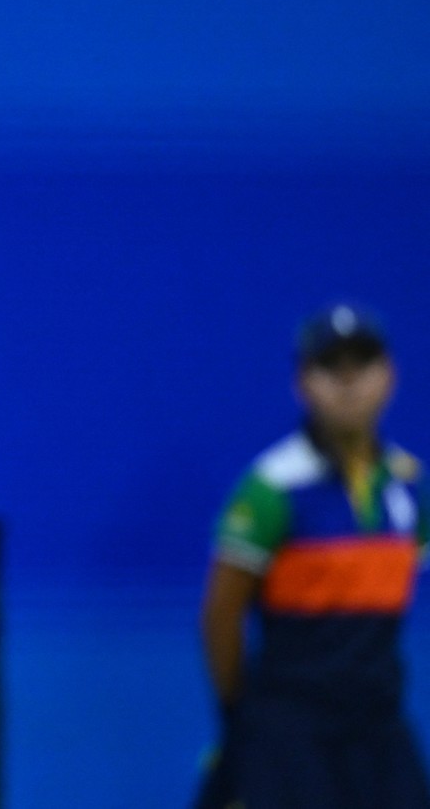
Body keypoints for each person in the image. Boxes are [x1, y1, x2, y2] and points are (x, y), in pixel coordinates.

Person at [197, 303, 430, 809]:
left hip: (379, 727)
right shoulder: (272, 488)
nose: (349, 384)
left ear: (389, 377)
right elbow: (220, 614)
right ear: (303, 382)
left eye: (362, 366)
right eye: (331, 369)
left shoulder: (409, 486)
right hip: (292, 729)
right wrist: (244, 719)